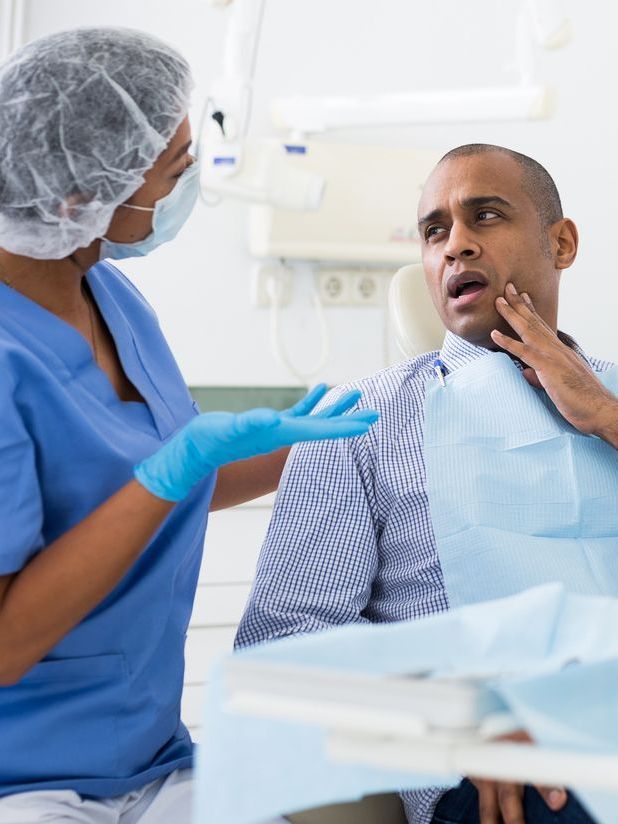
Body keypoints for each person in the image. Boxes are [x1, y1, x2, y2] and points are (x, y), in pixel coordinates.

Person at [0, 27, 379, 824]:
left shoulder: (106, 291)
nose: (190, 185)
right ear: (76, 198)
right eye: (175, 169)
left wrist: (301, 446)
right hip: (25, 778)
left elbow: (154, 480)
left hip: (151, 757)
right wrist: (173, 470)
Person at [235, 144, 618, 824]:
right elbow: (285, 652)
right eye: (435, 231)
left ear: (562, 243)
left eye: (486, 215)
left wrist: (604, 417)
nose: (456, 246)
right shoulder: (361, 425)